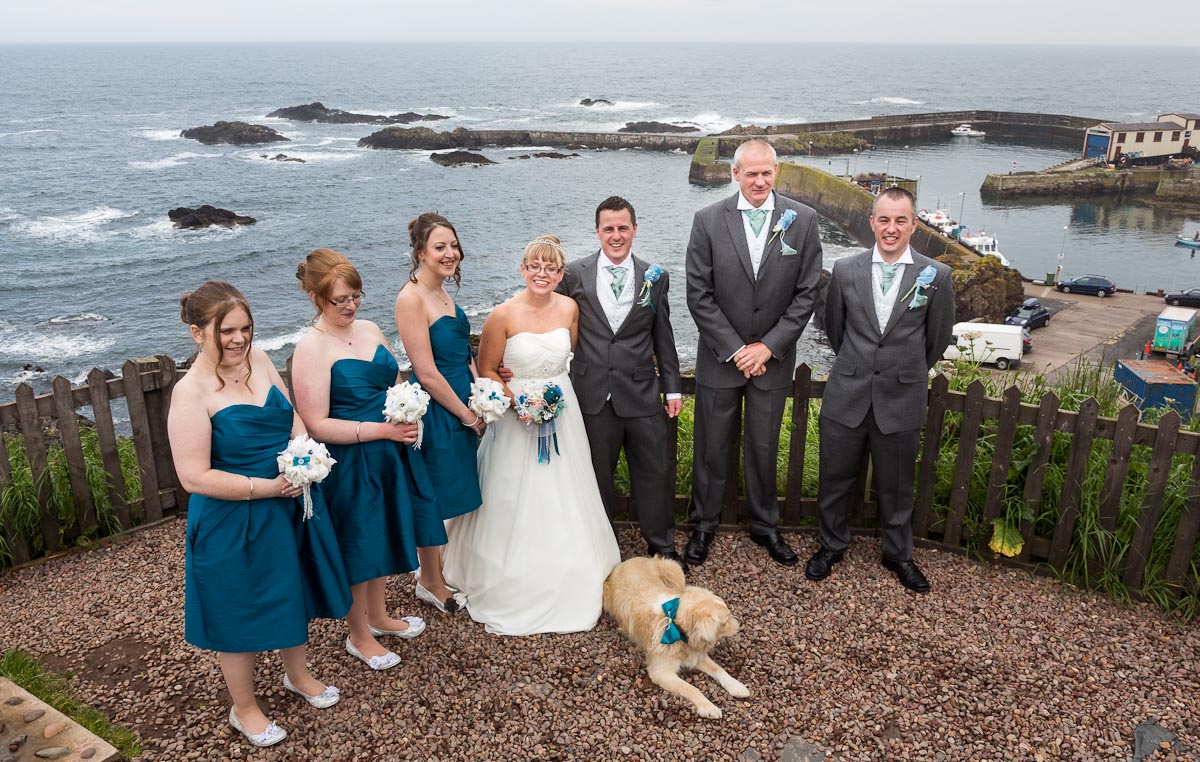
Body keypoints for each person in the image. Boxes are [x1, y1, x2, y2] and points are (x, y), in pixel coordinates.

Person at [169, 281, 350, 748]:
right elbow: (193, 477)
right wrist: (267, 487)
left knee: (292, 590)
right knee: (238, 607)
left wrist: (302, 454)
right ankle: (244, 706)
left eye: (245, 328)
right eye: (226, 331)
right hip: (233, 518)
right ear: (197, 333)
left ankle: (298, 675)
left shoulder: (261, 361)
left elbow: (291, 417)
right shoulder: (190, 393)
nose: (239, 339)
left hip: (286, 504)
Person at [443, 235, 622, 635]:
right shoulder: (502, 315)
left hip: (563, 410)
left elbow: (568, 357)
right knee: (511, 491)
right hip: (515, 415)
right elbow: (487, 369)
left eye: (550, 268)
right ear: (522, 269)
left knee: (566, 486)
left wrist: (548, 400)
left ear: (560, 274)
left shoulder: (570, 308)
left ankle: (571, 562)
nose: (542, 274)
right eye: (535, 266)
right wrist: (518, 403)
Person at [291, 249, 437, 670]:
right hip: (350, 463)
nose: (351, 305)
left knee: (383, 534)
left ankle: (379, 615)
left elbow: (394, 384)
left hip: (389, 452)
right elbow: (317, 424)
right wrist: (382, 430)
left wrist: (407, 410)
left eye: (356, 296)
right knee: (358, 544)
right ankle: (358, 635)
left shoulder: (370, 329)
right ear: (317, 298)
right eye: (340, 300)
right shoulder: (310, 349)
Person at [806, 187, 956, 594]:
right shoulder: (845, 270)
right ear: (872, 222)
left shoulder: (936, 276)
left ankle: (898, 555)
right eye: (884, 220)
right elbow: (835, 329)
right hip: (848, 392)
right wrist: (860, 365)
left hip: (901, 396)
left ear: (914, 224)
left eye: (900, 220)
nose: (892, 228)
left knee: (897, 484)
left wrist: (902, 371)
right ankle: (831, 545)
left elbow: (936, 340)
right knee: (835, 478)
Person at [684, 138, 824, 567]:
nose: (759, 181)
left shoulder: (803, 220)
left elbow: (807, 292)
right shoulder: (708, 220)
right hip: (720, 359)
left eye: (766, 173)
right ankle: (703, 525)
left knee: (763, 448)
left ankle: (766, 526)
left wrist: (768, 347)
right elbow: (698, 294)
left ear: (775, 172)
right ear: (735, 174)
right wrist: (736, 349)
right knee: (711, 447)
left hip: (772, 362)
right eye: (751, 173)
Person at [557, 196, 684, 568]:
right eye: (609, 228)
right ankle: (603, 548)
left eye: (623, 228)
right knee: (597, 475)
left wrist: (672, 387)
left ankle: (662, 546)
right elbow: (552, 322)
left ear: (635, 229)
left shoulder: (655, 276)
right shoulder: (574, 274)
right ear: (597, 231)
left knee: (655, 471)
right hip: (592, 394)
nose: (616, 235)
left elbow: (663, 336)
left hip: (641, 392)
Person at [394, 213, 484, 614]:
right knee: (431, 494)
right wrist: (466, 414)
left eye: (453, 246)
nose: (450, 254)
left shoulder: (444, 292)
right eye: (439, 247)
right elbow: (426, 371)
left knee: (453, 490)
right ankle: (429, 581)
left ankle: (441, 568)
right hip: (438, 411)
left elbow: (463, 354)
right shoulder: (410, 298)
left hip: (463, 403)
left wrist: (482, 393)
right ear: (420, 253)